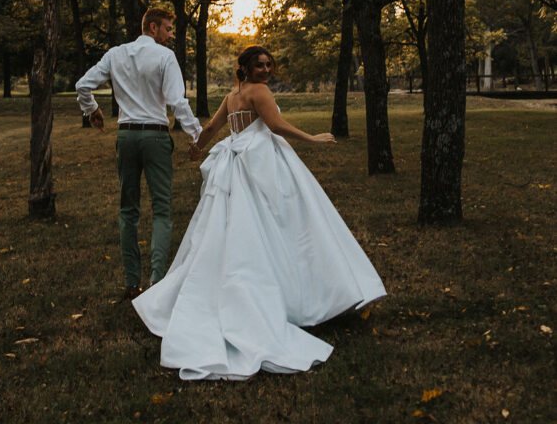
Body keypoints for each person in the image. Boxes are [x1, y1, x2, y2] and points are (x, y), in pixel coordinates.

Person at [132, 45, 386, 380]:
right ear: (246, 68)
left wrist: (198, 147)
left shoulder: (232, 95)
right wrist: (314, 139)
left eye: (268, 65)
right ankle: (300, 298)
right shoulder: (259, 92)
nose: (266, 70)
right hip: (263, 161)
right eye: (259, 65)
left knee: (237, 225)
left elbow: (213, 127)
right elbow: (276, 126)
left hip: (239, 161)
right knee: (286, 223)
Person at [75, 7, 202, 300]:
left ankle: (132, 283)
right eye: (168, 29)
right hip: (155, 137)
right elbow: (176, 101)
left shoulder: (115, 54)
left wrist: (92, 110)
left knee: (128, 211)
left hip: (126, 136)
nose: (171, 36)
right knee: (161, 209)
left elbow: (83, 85)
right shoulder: (164, 56)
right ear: (154, 27)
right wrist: (197, 134)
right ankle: (157, 283)